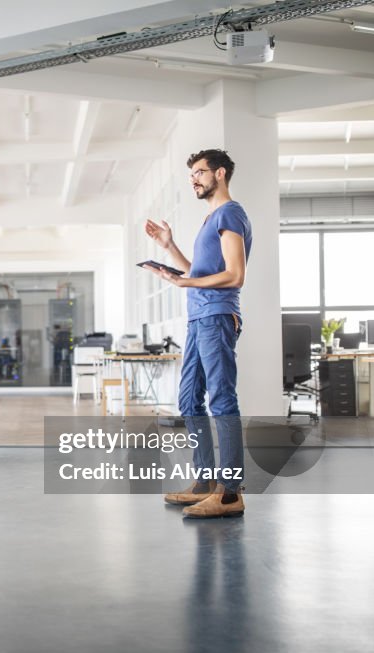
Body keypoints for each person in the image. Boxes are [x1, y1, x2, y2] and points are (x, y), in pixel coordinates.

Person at [141, 148, 252, 519]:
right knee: (189, 400)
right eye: (192, 174)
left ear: (220, 174)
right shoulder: (211, 219)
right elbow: (198, 274)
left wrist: (186, 283)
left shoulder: (230, 213)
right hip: (198, 319)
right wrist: (169, 249)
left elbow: (235, 275)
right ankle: (204, 482)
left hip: (218, 317)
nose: (194, 179)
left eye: (200, 173)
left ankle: (230, 491)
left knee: (222, 400)